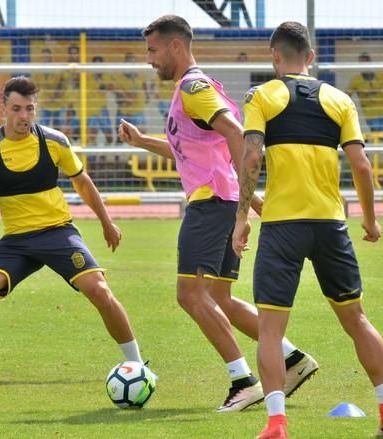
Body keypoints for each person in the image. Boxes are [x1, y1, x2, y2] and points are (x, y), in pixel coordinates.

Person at [118, 15, 318, 413]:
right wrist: (143, 142)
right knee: (220, 297)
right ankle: (292, 359)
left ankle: (243, 380)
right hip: (221, 201)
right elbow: (194, 150)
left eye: (153, 50)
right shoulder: (189, 90)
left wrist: (247, 201)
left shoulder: (193, 87)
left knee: (190, 295)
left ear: (176, 47)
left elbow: (234, 133)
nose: (149, 59)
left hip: (211, 204)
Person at [232, 22, 383, 438]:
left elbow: (251, 157)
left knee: (271, 330)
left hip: (282, 225)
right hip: (331, 224)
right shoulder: (339, 100)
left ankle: (276, 423)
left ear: (275, 56)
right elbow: (361, 166)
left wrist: (241, 217)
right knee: (357, 320)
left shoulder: (261, 96)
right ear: (310, 57)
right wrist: (369, 217)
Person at [0, 76, 152, 383]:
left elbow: (82, 182)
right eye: (17, 109)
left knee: (99, 290)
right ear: (4, 108)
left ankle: (137, 367)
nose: (24, 117)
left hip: (57, 233)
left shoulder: (54, 141)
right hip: (16, 241)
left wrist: (106, 222)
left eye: (29, 109)